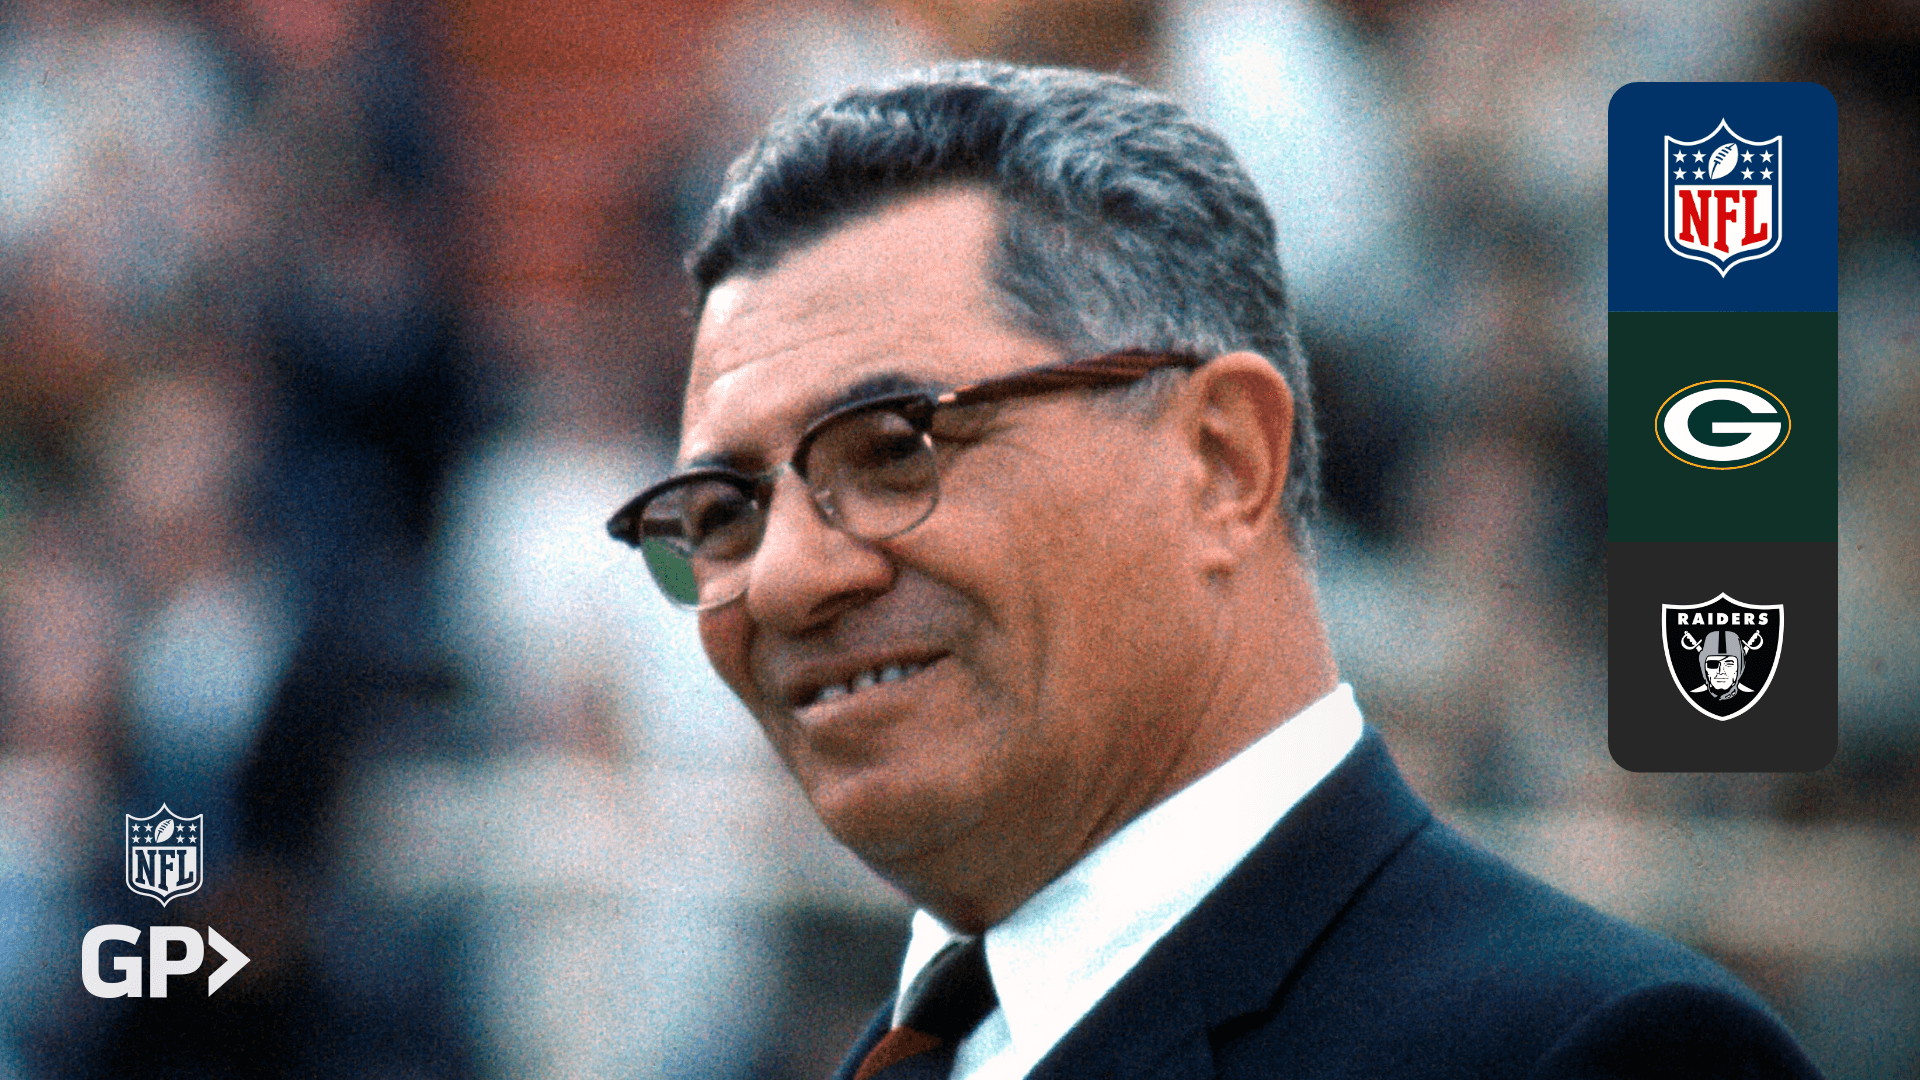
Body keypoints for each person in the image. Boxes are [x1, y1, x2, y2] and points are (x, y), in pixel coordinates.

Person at [608, 62, 1823, 1080]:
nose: (783, 579)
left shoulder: (1596, 1053)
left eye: (891, 450)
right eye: (720, 513)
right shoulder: (906, 1050)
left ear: (1223, 462)